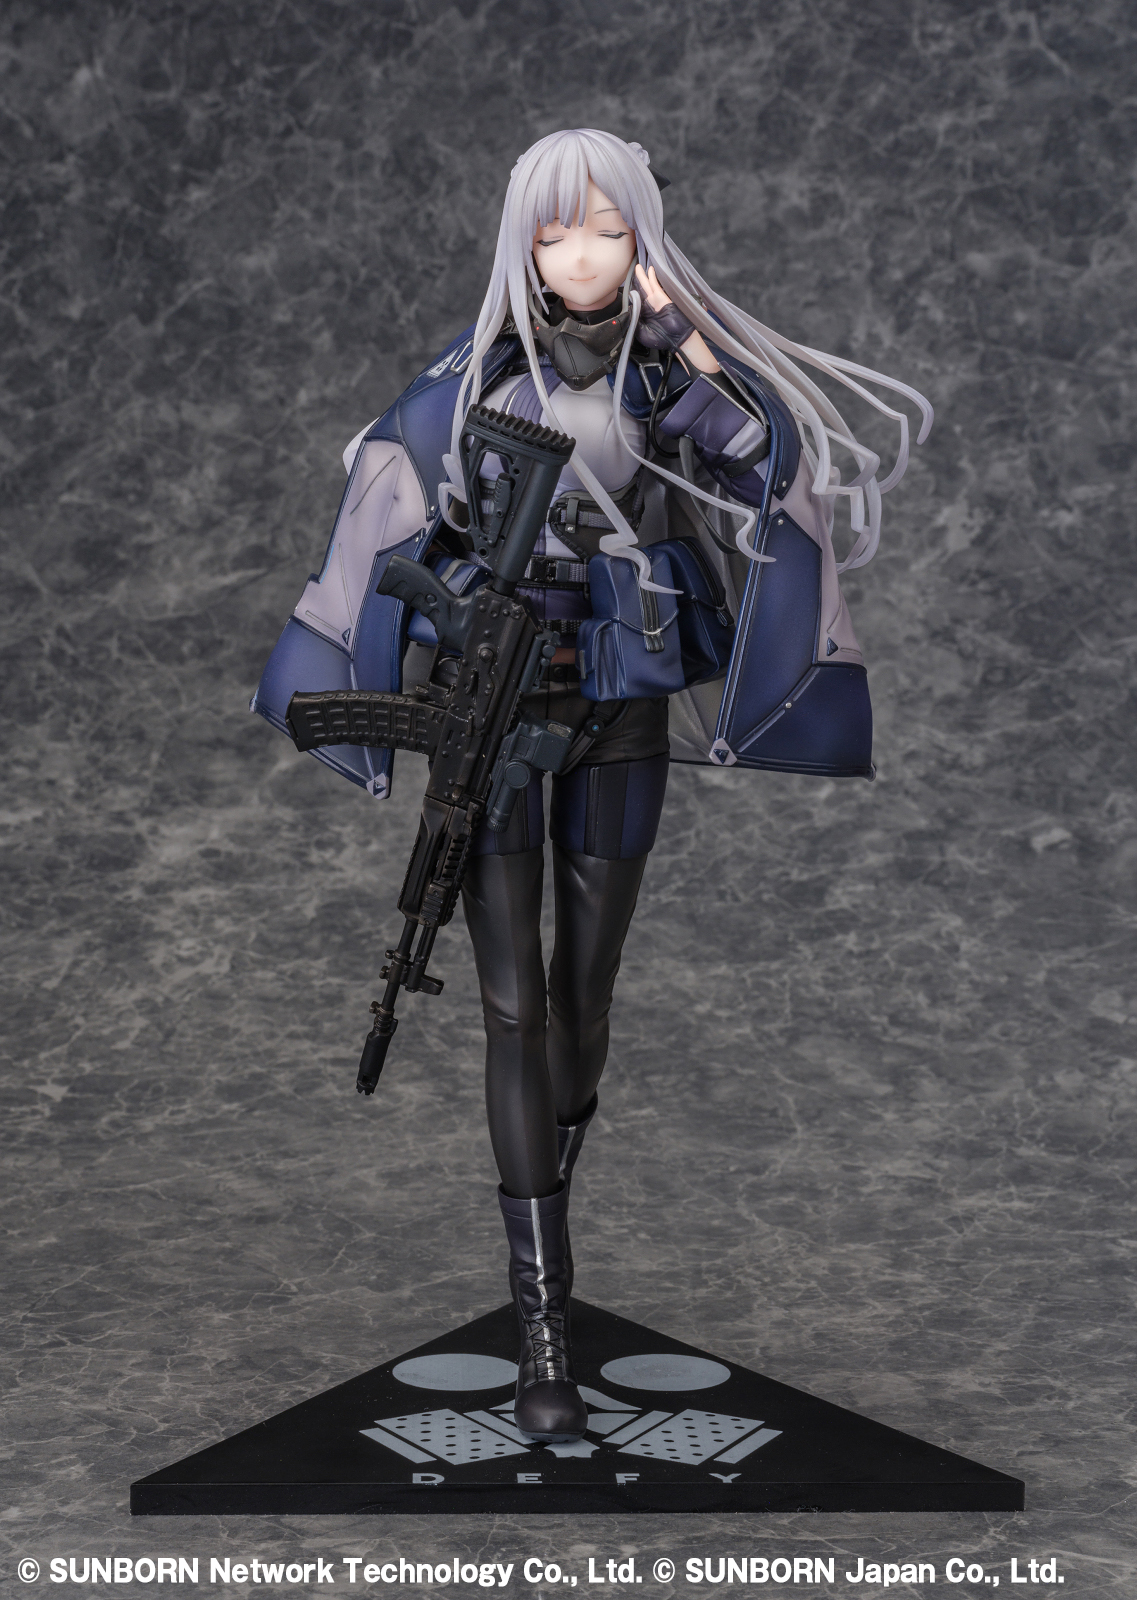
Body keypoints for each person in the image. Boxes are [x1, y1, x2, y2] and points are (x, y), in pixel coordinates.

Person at [252, 128, 932, 1443]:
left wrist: (691, 348)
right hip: (492, 714)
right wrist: (455, 610)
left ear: (642, 242)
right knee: (510, 1007)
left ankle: (552, 1202)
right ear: (522, 242)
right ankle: (543, 1328)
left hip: (619, 710)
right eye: (555, 232)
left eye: (608, 232)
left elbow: (771, 472)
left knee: (582, 1001)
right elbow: (382, 530)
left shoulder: (666, 376)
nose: (579, 256)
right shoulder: (465, 387)